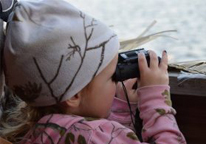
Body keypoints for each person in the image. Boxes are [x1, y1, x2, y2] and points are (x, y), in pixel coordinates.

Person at [0, 0, 186, 143]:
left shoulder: (42, 132)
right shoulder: (93, 135)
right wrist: (155, 98)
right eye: (111, 77)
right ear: (73, 96)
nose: (116, 82)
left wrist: (120, 109)